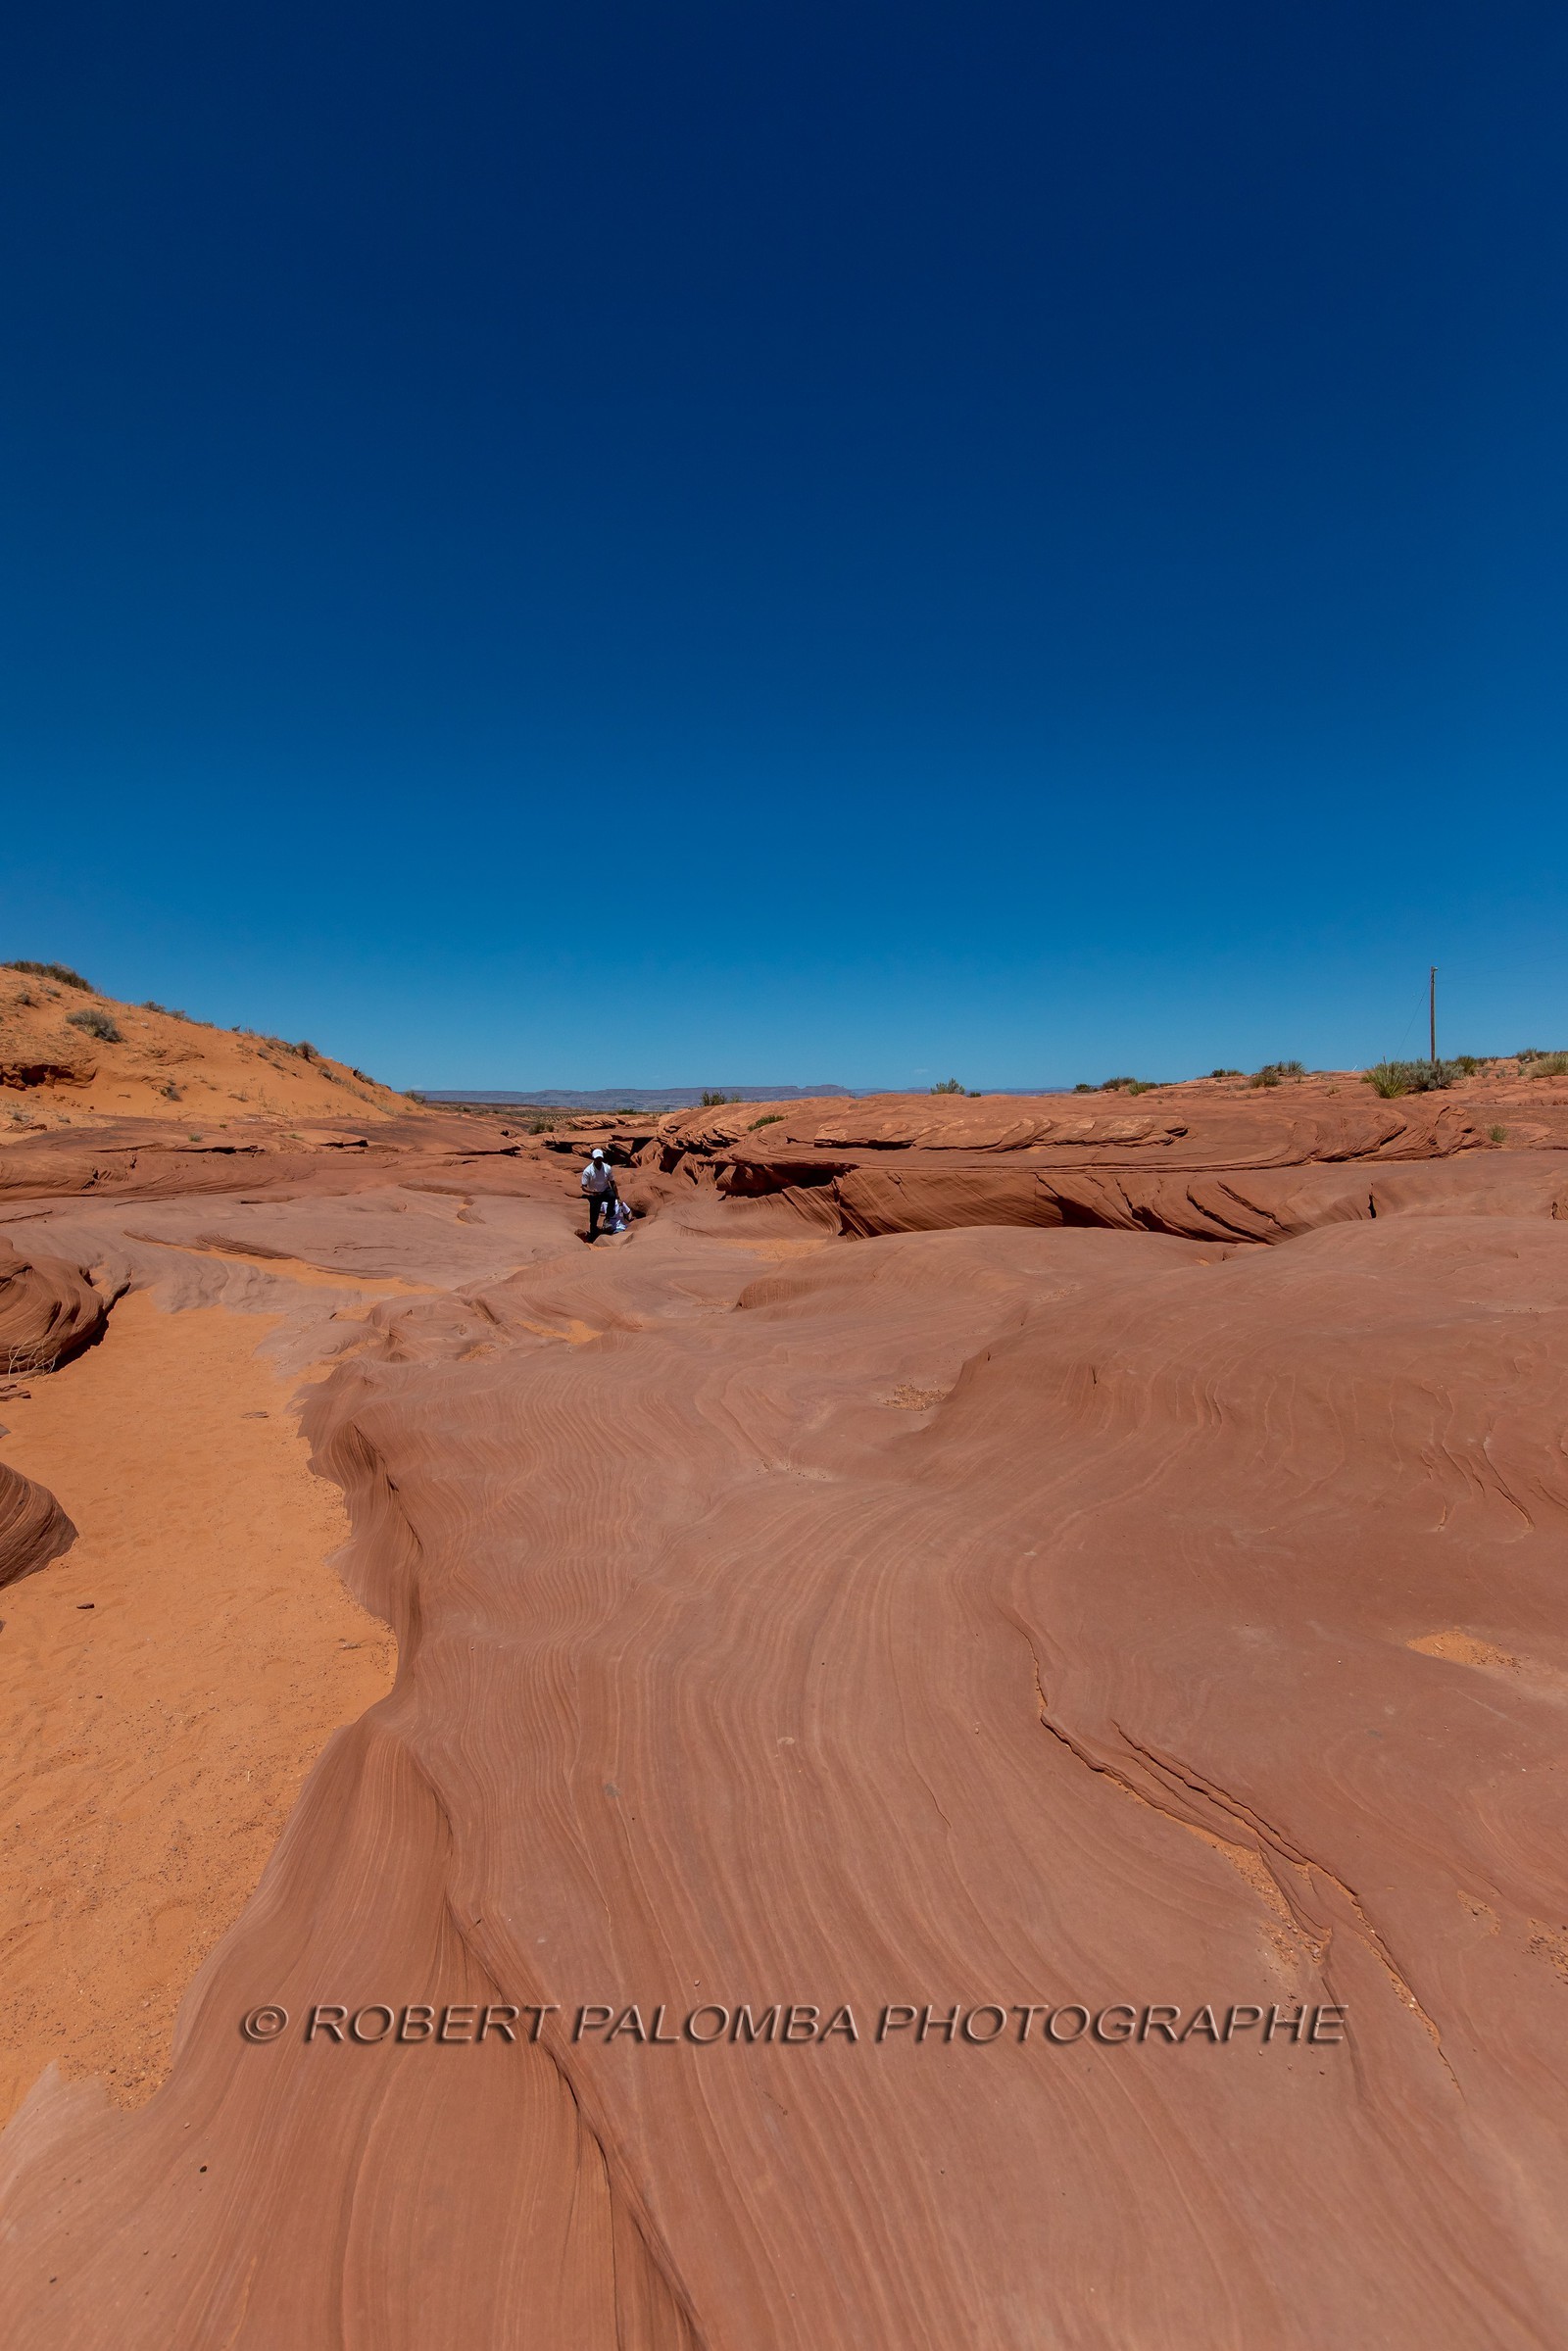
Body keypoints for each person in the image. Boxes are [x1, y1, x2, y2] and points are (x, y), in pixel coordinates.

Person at [580, 1146, 618, 1241]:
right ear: (593, 1158)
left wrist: (618, 1197)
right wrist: (591, 1192)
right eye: (597, 1158)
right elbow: (583, 1187)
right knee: (594, 1215)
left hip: (605, 1190)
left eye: (600, 1158)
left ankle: (607, 1219)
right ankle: (593, 1234)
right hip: (594, 1194)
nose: (599, 1160)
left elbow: (612, 1183)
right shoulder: (588, 1171)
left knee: (612, 1197)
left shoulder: (607, 1168)